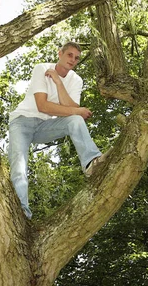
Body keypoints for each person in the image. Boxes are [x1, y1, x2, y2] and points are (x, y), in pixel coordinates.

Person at [8, 42, 103, 219]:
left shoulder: (76, 80)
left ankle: (91, 163)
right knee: (19, 164)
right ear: (60, 53)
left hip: (44, 127)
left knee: (75, 120)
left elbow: (73, 109)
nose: (73, 60)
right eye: (69, 55)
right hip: (22, 122)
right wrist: (77, 110)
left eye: (76, 58)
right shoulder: (42, 68)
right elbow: (42, 106)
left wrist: (59, 83)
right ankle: (22, 212)